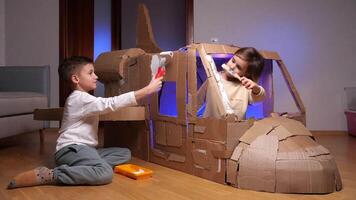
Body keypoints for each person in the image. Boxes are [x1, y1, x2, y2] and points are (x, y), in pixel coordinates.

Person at [7, 56, 163, 189]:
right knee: (104, 173)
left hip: (85, 150)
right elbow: (110, 103)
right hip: (71, 149)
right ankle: (52, 174)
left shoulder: (85, 98)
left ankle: (83, 166)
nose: (96, 76)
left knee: (124, 153)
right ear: (76, 78)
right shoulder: (79, 98)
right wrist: (147, 90)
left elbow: (105, 105)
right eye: (90, 73)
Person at [198, 47, 266, 120]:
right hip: (211, 126)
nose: (232, 66)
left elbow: (260, 97)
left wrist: (256, 88)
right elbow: (198, 99)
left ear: (246, 74)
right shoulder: (212, 79)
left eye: (238, 67)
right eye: (233, 61)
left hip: (234, 128)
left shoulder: (245, 87)